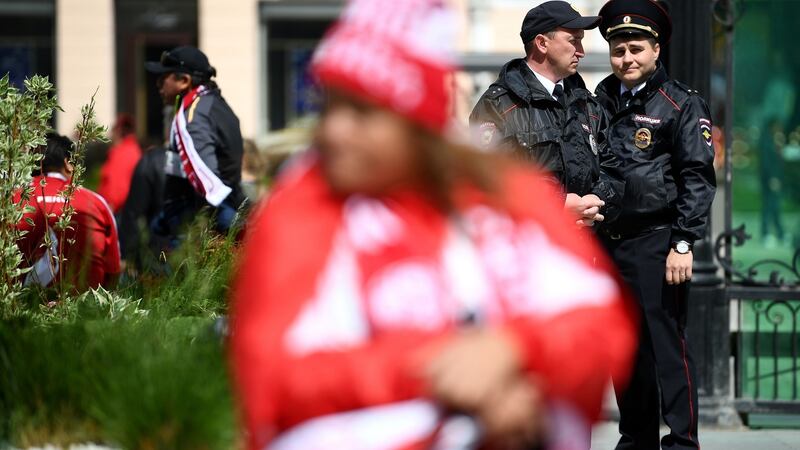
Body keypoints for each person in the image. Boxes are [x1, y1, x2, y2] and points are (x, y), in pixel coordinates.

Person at [230, 1, 637, 449]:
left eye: (363, 112)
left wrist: (515, 354)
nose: (333, 132)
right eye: (329, 105)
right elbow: (270, 374)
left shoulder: (497, 192)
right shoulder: (302, 207)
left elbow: (599, 320)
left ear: (415, 122)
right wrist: (437, 370)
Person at [593, 1, 717, 449]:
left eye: (635, 48)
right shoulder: (600, 98)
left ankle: (681, 443)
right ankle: (636, 439)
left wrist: (683, 242)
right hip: (607, 244)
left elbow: (697, 178)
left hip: (657, 242)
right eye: (618, 49)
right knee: (625, 354)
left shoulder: (681, 102)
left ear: (656, 48)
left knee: (669, 350)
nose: (626, 58)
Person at [470, 0, 623, 228]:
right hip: (527, 247)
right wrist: (558, 205)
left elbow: (614, 166)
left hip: (582, 245)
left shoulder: (586, 104)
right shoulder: (498, 105)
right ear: (542, 43)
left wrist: (594, 202)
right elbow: (486, 178)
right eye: (574, 41)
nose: (581, 51)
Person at [145, 46, 245, 240]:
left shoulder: (192, 117)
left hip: (194, 224)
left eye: (162, 78)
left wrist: (239, 229)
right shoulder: (214, 103)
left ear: (184, 81)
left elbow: (210, 184)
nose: (158, 85)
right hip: (185, 214)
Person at [15, 133, 121, 292]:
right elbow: (113, 272)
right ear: (68, 163)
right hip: (86, 310)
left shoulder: (14, 199)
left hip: (24, 309)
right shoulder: (96, 202)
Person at [117, 143, 167, 273]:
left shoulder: (151, 160)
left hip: (155, 252)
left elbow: (134, 213)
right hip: (192, 253)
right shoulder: (202, 160)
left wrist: (129, 255)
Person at [97, 113, 143, 214]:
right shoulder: (135, 150)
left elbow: (117, 186)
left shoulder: (121, 153)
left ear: (118, 131)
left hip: (116, 212)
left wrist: (109, 208)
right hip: (125, 210)